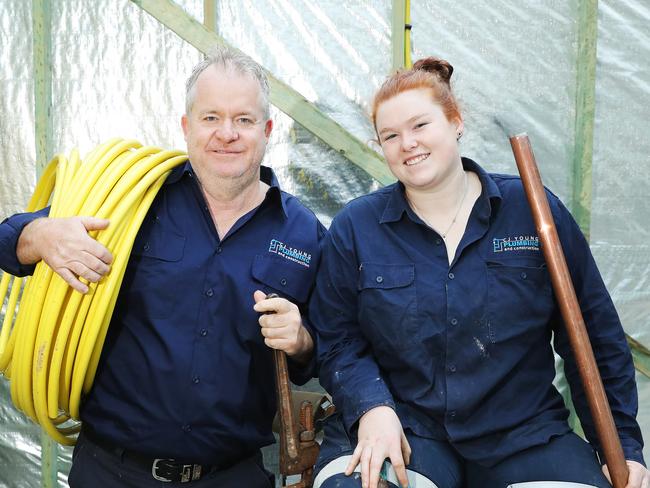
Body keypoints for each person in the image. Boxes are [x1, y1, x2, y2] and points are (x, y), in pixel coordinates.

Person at [309, 57, 648, 488]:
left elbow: (595, 337)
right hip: (406, 427)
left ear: (456, 121)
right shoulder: (356, 228)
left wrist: (620, 445)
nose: (407, 143)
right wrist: (373, 407)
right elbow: (336, 339)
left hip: (523, 436)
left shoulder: (534, 211)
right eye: (390, 135)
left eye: (420, 125)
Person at [0, 45, 324, 487]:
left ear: (266, 130)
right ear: (187, 127)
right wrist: (38, 236)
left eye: (243, 120)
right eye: (211, 118)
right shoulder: (130, 201)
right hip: (111, 471)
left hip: (231, 475)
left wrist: (302, 339)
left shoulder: (303, 231)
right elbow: (5, 243)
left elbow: (327, 346)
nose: (226, 133)